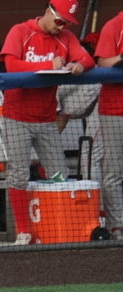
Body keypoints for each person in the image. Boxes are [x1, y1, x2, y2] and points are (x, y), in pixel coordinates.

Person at [0, 0, 94, 245]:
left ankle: (53, 228)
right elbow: (11, 66)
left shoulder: (65, 37)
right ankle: (23, 231)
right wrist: (47, 65)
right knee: (19, 175)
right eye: (59, 19)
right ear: (48, 11)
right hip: (16, 114)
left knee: (58, 174)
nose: (61, 25)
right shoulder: (21, 30)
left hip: (46, 116)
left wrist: (78, 65)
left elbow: (88, 58)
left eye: (66, 22)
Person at [94, 12, 123, 239]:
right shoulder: (114, 26)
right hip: (116, 110)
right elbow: (102, 62)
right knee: (114, 171)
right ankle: (117, 227)